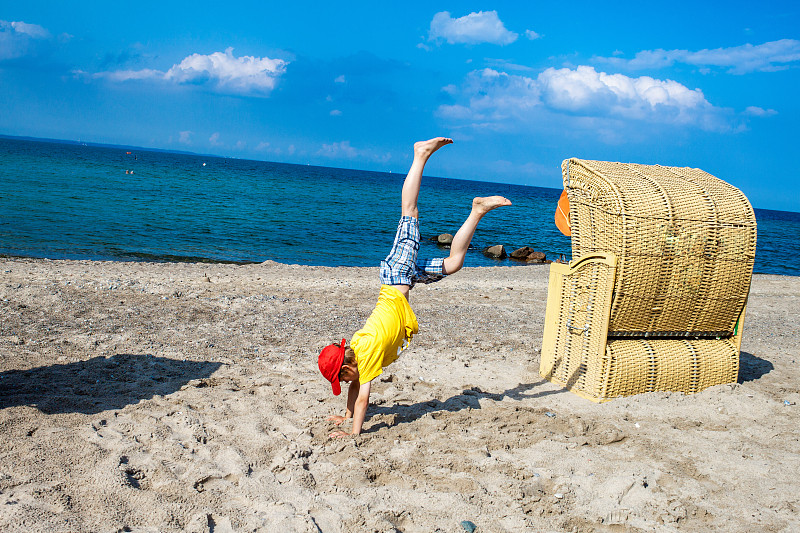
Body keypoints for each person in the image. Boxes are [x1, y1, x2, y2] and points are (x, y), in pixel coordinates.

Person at [317, 137, 512, 437]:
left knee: (410, 212)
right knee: (453, 263)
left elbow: (364, 397)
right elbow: (356, 387)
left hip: (397, 274)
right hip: (404, 279)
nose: (345, 383)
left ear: (346, 367)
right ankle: (477, 210)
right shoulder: (356, 354)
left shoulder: (364, 354)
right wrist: (345, 415)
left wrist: (354, 432)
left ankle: (420, 155)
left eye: (340, 379)